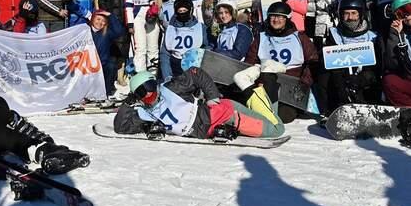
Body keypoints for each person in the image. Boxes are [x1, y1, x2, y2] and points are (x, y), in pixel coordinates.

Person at [113, 69, 285, 140]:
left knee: (277, 130)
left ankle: (249, 83)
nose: (149, 93)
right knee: (267, 121)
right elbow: (121, 127)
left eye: (150, 87)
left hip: (223, 114)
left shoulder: (170, 88)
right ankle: (268, 89)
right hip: (209, 130)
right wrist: (127, 105)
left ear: (155, 83)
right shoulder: (145, 112)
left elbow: (196, 73)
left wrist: (212, 95)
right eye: (142, 92)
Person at [236, 2, 319, 123]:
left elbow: (313, 61)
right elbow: (250, 61)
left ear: (287, 19)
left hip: (290, 84)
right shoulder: (262, 37)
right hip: (266, 82)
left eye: (280, 17)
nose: (276, 20)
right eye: (273, 16)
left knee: (285, 115)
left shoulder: (299, 37)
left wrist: (304, 83)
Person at [321, 0, 382, 111]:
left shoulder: (372, 36)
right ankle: (330, 110)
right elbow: (330, 59)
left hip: (364, 75)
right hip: (341, 76)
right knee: (325, 76)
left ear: (361, 14)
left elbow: (378, 64)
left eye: (354, 13)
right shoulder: (334, 35)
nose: (350, 18)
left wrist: (364, 77)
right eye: (346, 14)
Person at [98, 0, 131, 86]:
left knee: (124, 50)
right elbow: (102, 3)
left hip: (125, 21)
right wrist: (108, 20)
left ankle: (120, 76)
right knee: (113, 51)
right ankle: (110, 78)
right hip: (112, 23)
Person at [162, 0, 209, 77]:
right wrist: (167, 77)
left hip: (194, 67)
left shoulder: (200, 27)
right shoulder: (170, 29)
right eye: (180, 11)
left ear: (190, 11)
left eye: (185, 10)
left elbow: (207, 48)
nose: (182, 13)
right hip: (176, 66)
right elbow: (165, 54)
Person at [89, 10, 126, 97]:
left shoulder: (107, 33)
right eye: (98, 19)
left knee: (111, 66)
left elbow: (119, 32)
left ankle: (107, 92)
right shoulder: (85, 31)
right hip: (87, 66)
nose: (100, 22)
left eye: (103, 21)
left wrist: (110, 15)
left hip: (102, 65)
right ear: (93, 19)